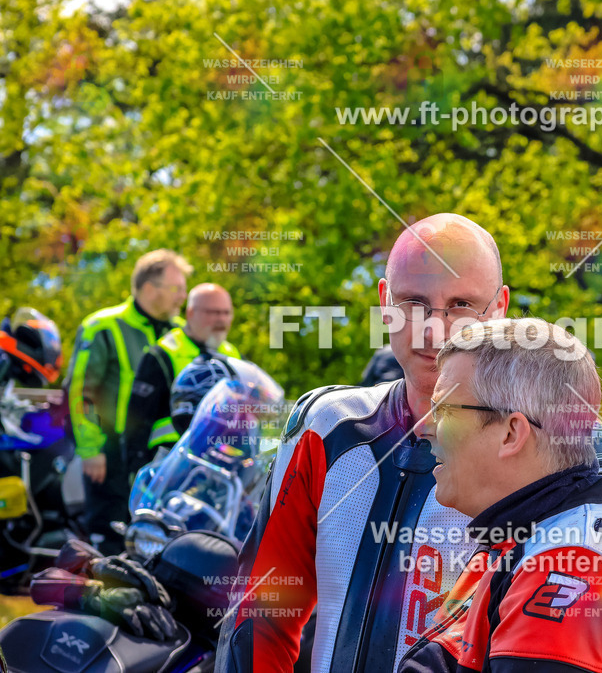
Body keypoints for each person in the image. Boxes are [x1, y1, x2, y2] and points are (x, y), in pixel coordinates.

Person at [219, 214, 512, 673]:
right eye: (413, 302)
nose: (435, 331)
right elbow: (262, 616)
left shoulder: (537, 451)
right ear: (384, 303)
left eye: (461, 305)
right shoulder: (327, 429)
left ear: (498, 310)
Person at [398, 318, 602, 672]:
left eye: (445, 410)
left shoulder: (575, 564)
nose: (423, 427)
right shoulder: (520, 532)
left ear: (512, 433)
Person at [64, 249, 191, 553]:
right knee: (108, 540)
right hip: (109, 454)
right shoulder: (103, 326)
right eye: (176, 289)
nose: (183, 297)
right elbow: (81, 390)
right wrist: (91, 449)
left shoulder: (179, 333)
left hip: (159, 457)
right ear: (149, 288)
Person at [123, 283, 241, 471]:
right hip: (169, 463)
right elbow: (137, 421)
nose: (222, 320)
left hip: (218, 462)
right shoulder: (163, 353)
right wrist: (136, 470)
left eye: (226, 313)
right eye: (213, 312)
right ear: (190, 313)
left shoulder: (232, 354)